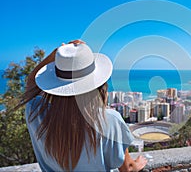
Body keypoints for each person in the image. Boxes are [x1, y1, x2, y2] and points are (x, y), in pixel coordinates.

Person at [19, 40, 147, 171]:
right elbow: (127, 169)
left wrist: (57, 55)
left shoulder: (35, 112)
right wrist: (136, 165)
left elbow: (31, 86)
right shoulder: (110, 120)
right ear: (98, 84)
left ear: (54, 84)